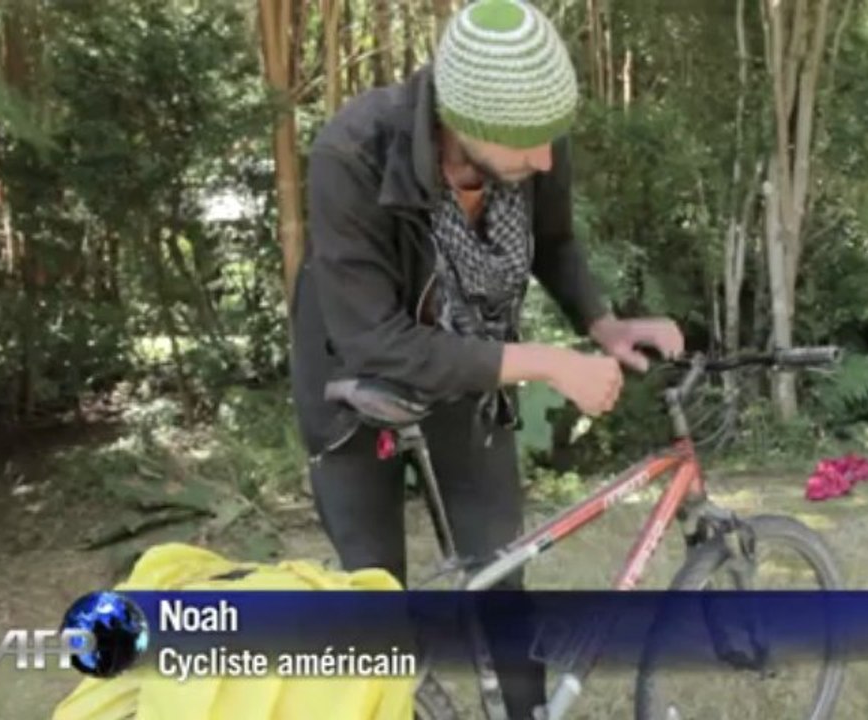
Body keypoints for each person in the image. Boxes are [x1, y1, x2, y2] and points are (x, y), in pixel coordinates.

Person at [287, 0, 684, 716]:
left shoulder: (534, 142)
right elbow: (373, 339)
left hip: (469, 383)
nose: (542, 161)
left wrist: (602, 326)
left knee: (502, 575)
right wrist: (546, 362)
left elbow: (555, 241)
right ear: (460, 124)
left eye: (549, 143)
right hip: (352, 389)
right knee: (375, 598)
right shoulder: (350, 154)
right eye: (526, 147)